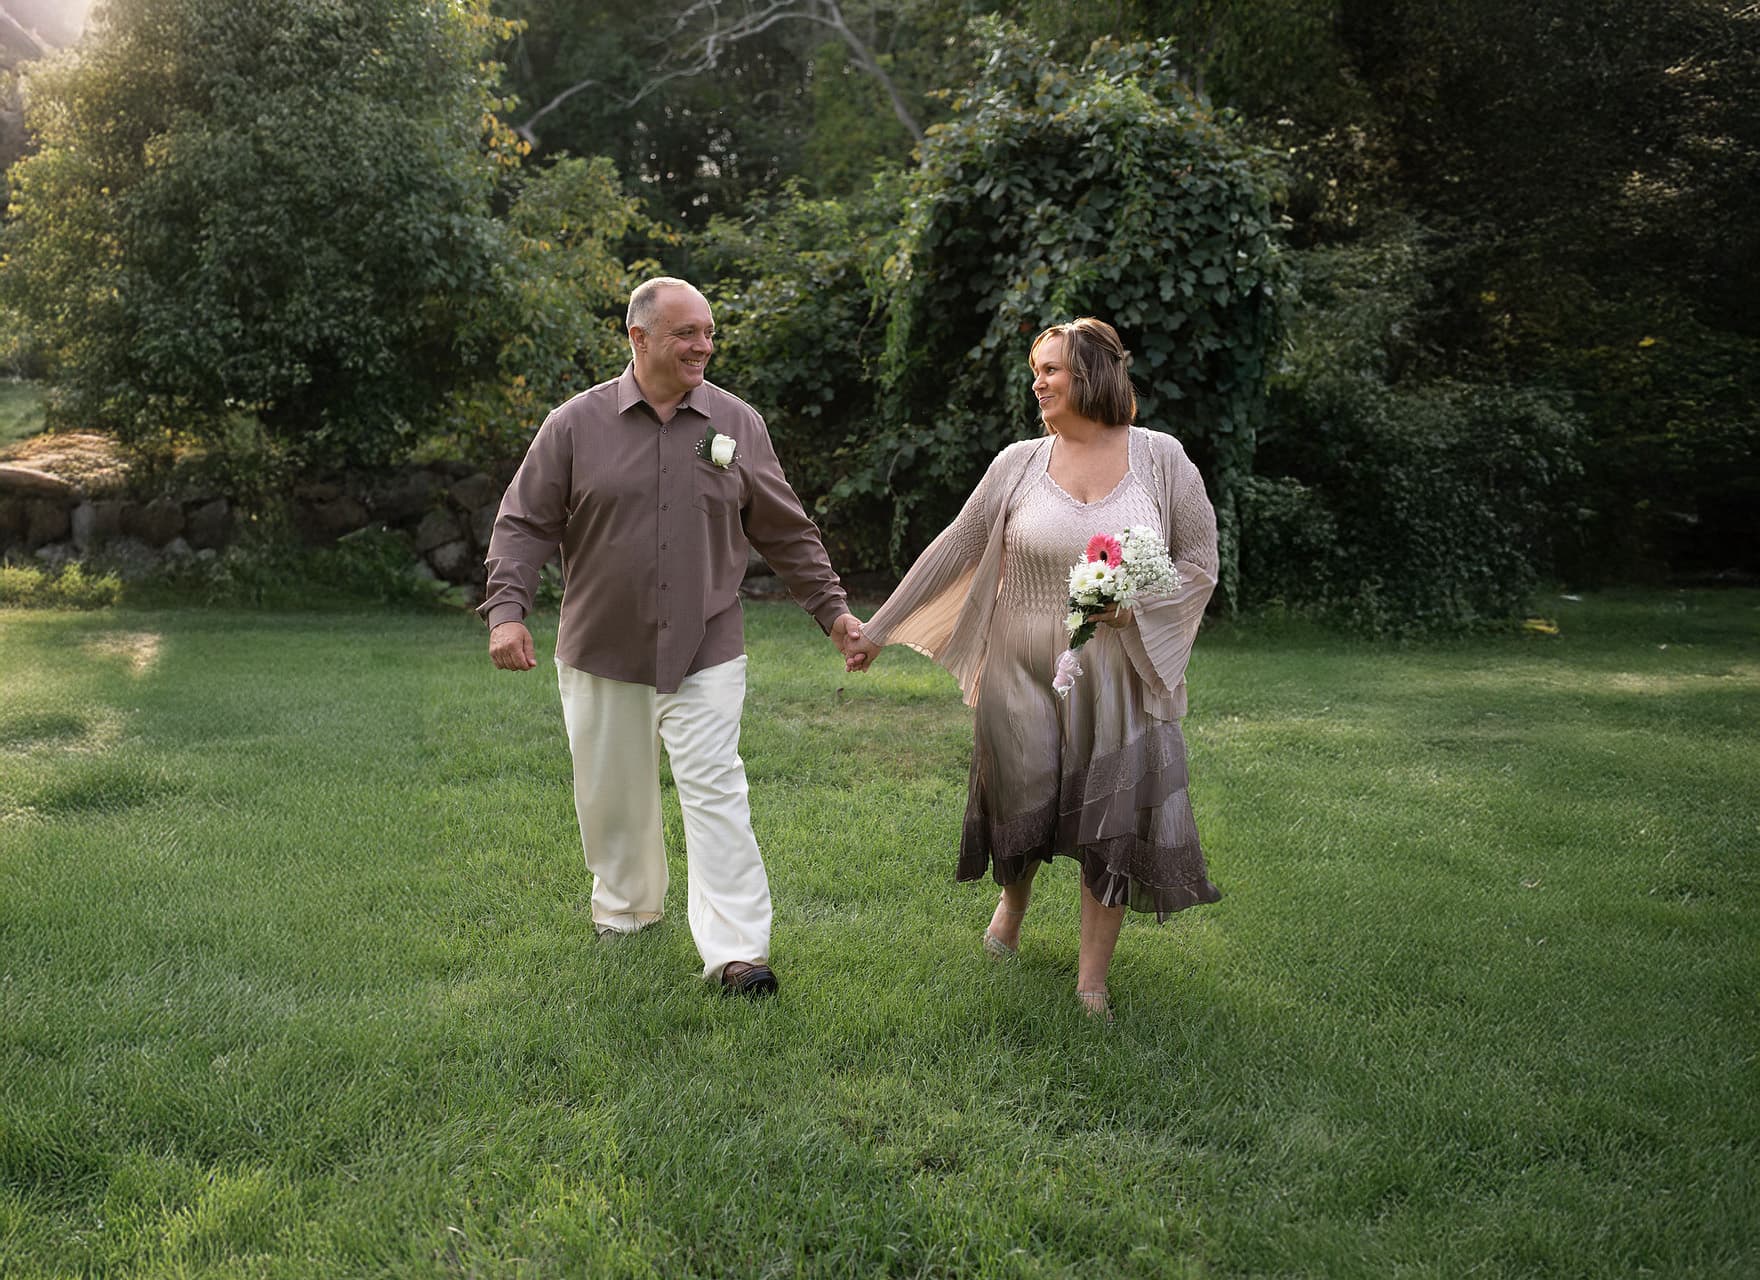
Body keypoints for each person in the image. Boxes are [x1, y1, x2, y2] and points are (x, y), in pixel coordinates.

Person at [480, 276, 867, 998]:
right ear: (639, 337)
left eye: (709, 332)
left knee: (717, 789)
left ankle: (737, 953)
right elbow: (525, 522)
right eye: (687, 332)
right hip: (602, 646)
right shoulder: (573, 425)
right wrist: (507, 611)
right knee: (611, 795)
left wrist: (835, 613)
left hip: (707, 645)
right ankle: (626, 912)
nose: (704, 346)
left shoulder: (736, 423)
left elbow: (785, 529)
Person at [844, 318, 1220, 1020]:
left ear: (1095, 375)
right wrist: (880, 627)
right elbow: (957, 545)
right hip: (1018, 661)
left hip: (1116, 670)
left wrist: (1134, 606)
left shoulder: (1160, 458)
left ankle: (1091, 982)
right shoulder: (1018, 461)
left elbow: (1201, 561)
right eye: (1036, 370)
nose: (1038, 382)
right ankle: (1010, 911)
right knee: (1020, 797)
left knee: (1109, 812)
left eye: (1051, 369)